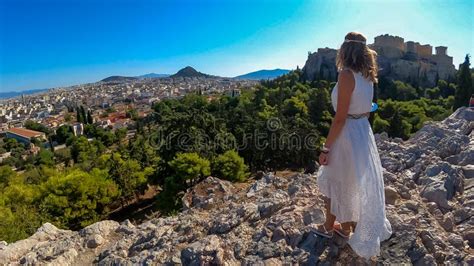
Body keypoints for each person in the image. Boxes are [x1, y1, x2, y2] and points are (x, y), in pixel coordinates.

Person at [313, 32, 392, 259]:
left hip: (347, 131)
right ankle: (345, 227)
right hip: (362, 130)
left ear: (344, 50)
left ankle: (329, 227)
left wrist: (325, 148)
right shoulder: (367, 77)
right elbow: (367, 108)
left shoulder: (346, 75)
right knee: (350, 180)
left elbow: (340, 117)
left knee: (333, 178)